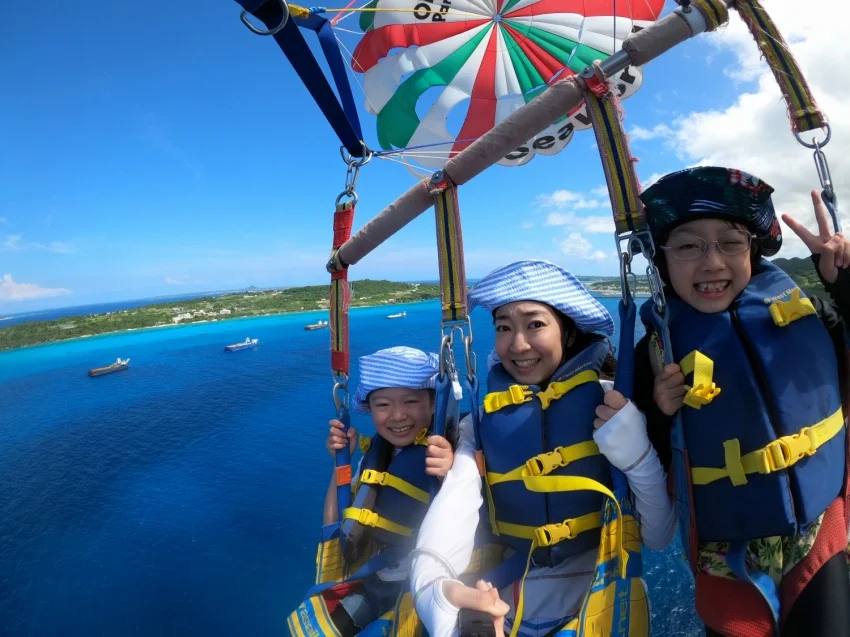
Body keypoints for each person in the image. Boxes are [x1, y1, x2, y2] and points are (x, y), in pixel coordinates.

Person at [632, 166, 850, 636]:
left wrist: (844, 285)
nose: (712, 263)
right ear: (662, 260)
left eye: (730, 242)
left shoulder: (811, 312)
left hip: (821, 533)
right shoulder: (654, 352)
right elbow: (639, 460)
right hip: (728, 560)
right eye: (688, 246)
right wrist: (657, 409)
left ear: (753, 250)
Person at [410, 260, 676, 637]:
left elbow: (658, 536)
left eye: (535, 324)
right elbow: (455, 504)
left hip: (599, 600)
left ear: (567, 333)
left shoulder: (611, 406)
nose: (518, 345)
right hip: (507, 597)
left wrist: (637, 455)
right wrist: (438, 587)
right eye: (504, 327)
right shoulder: (482, 425)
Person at [291, 346, 455, 636]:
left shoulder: (452, 448)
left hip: (427, 590)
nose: (397, 415)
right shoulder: (375, 459)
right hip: (375, 584)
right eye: (383, 405)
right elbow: (334, 523)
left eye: (411, 401)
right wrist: (340, 463)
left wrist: (451, 468)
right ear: (370, 410)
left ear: (433, 405)